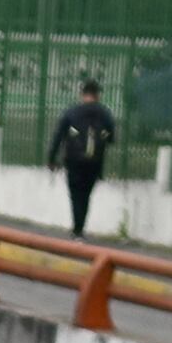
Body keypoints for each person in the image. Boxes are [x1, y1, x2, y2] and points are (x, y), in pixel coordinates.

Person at [53, 75, 121, 237]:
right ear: (98, 95)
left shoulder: (72, 112)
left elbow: (58, 136)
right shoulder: (105, 113)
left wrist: (51, 158)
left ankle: (77, 230)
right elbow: (111, 138)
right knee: (86, 195)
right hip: (94, 162)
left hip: (74, 161)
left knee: (75, 194)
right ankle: (80, 228)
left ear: (82, 94)